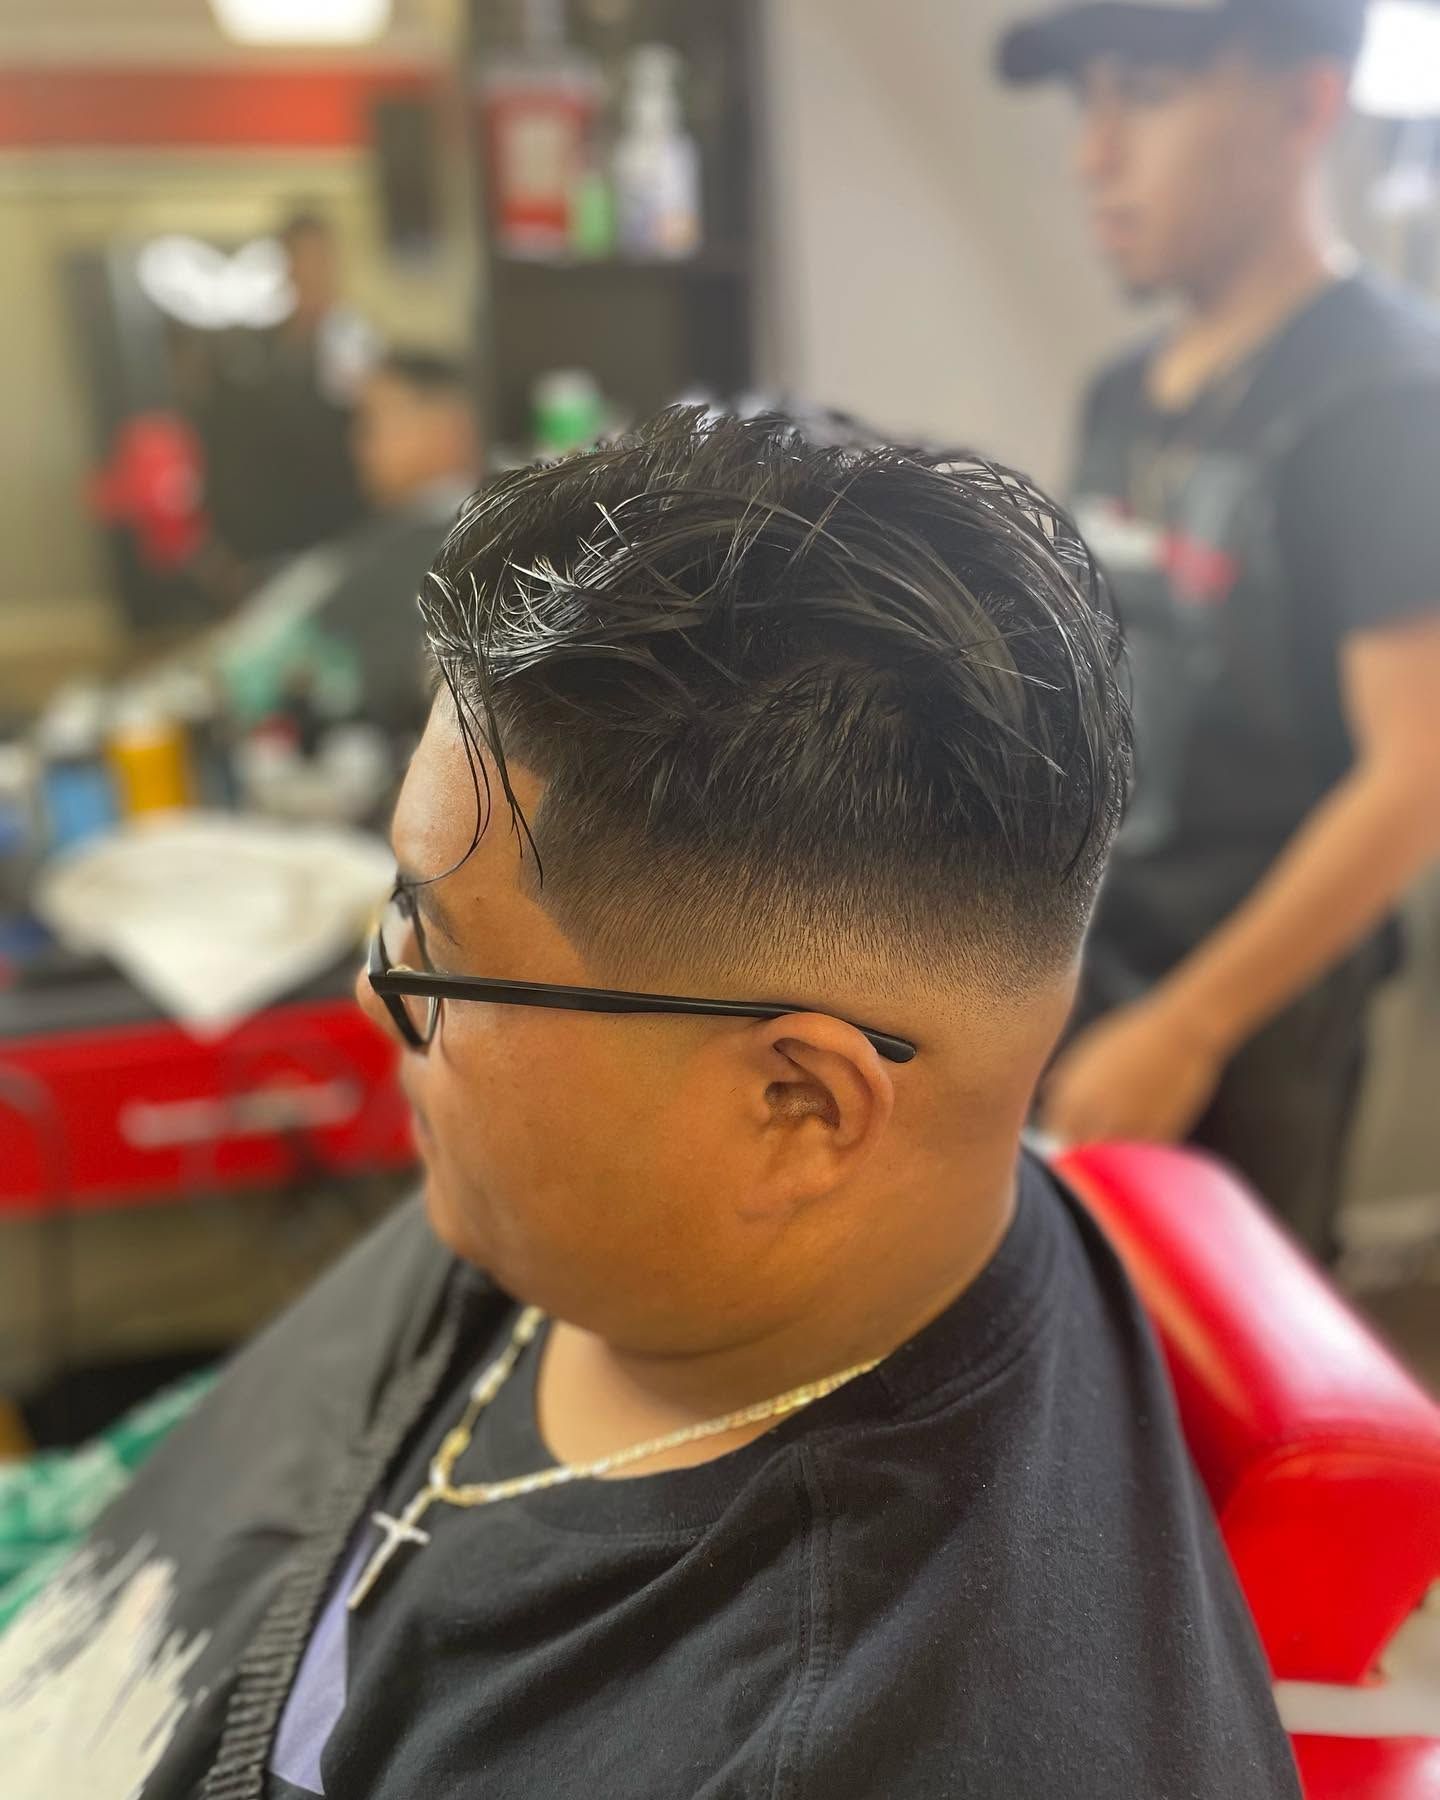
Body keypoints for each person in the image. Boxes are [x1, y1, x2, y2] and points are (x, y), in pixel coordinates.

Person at [0, 411, 1300, 1798]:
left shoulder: (865, 1741)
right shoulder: (628, 1232)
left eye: (438, 954)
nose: (385, 994)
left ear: (796, 1107)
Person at [1000, 0, 1440, 1256]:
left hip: (1248, 1020)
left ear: (1307, 105)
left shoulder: (1391, 401)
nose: (1093, 154)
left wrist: (1190, 1025)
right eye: (1086, 104)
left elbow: (1415, 774)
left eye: (1142, 94)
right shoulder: (1121, 396)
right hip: (1084, 973)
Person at [213, 348, 483, 737]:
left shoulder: (457, 548)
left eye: (373, 425)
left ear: (448, 429)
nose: (359, 447)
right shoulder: (390, 536)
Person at [200, 209, 382, 565]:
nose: (313, 271)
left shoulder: (360, 346)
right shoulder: (254, 350)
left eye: (321, 259)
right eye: (301, 258)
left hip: (340, 535)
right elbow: (230, 447)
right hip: (265, 541)